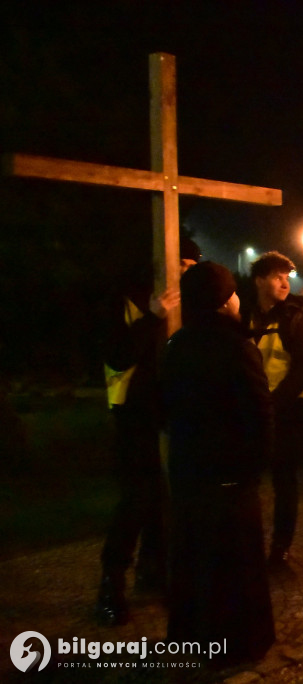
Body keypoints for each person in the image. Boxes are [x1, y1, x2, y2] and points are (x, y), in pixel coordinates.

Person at [162, 261, 275, 665]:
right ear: (225, 301)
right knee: (235, 563)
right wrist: (254, 465)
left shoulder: (177, 344)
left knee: (194, 559)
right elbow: (259, 413)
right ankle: (237, 644)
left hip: (190, 472)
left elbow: (164, 408)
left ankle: (192, 636)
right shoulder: (237, 346)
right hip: (230, 476)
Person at [95, 236, 200, 626]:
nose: (187, 274)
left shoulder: (187, 306)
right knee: (136, 500)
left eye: (192, 268)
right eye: (183, 265)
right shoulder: (128, 301)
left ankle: (155, 572)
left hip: (172, 414)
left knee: (166, 499)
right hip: (133, 415)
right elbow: (117, 355)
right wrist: (153, 316)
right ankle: (111, 585)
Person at [247, 251, 303, 567]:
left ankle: (280, 546)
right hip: (252, 410)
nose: (285, 283)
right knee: (247, 480)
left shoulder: (294, 319)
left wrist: (273, 404)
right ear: (260, 280)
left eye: (287, 277)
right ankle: (247, 542)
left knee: (284, 480)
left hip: (286, 411)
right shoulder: (246, 317)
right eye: (277, 277)